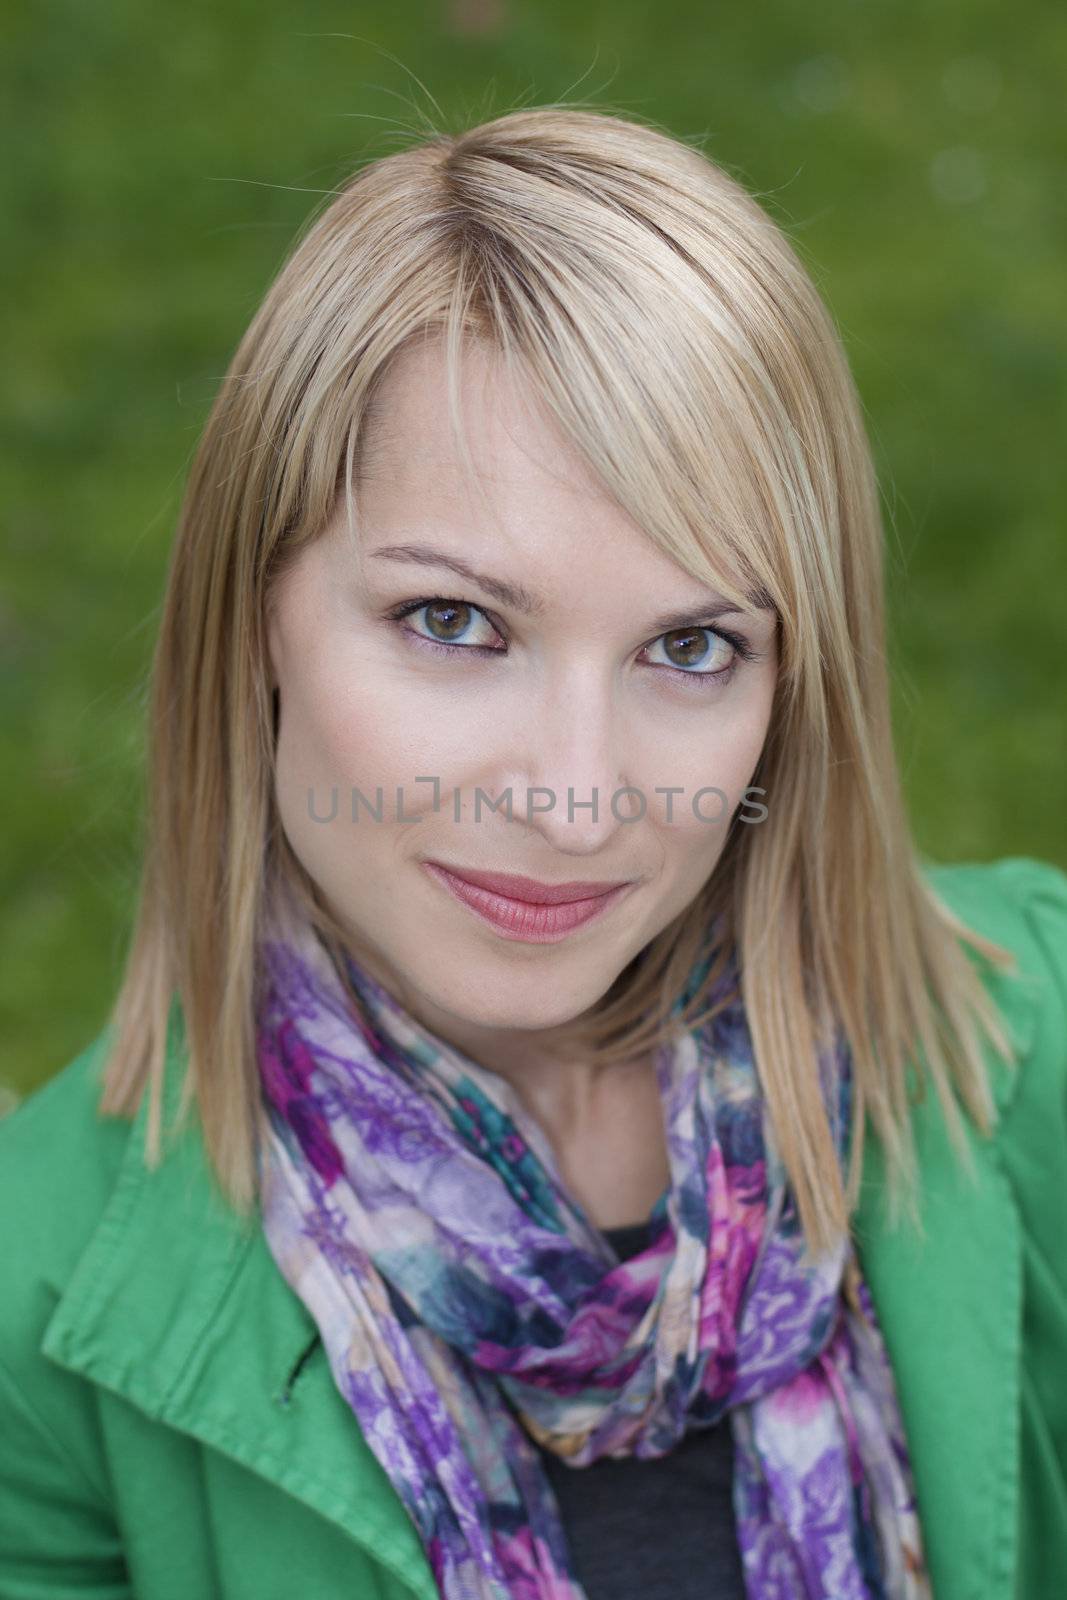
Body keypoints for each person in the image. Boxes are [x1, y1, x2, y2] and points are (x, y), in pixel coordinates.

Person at [1, 104, 1064, 1600]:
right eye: (455, 624)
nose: (577, 802)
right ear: (255, 615)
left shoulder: (1036, 1055)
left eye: (691, 646)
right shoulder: (31, 1308)